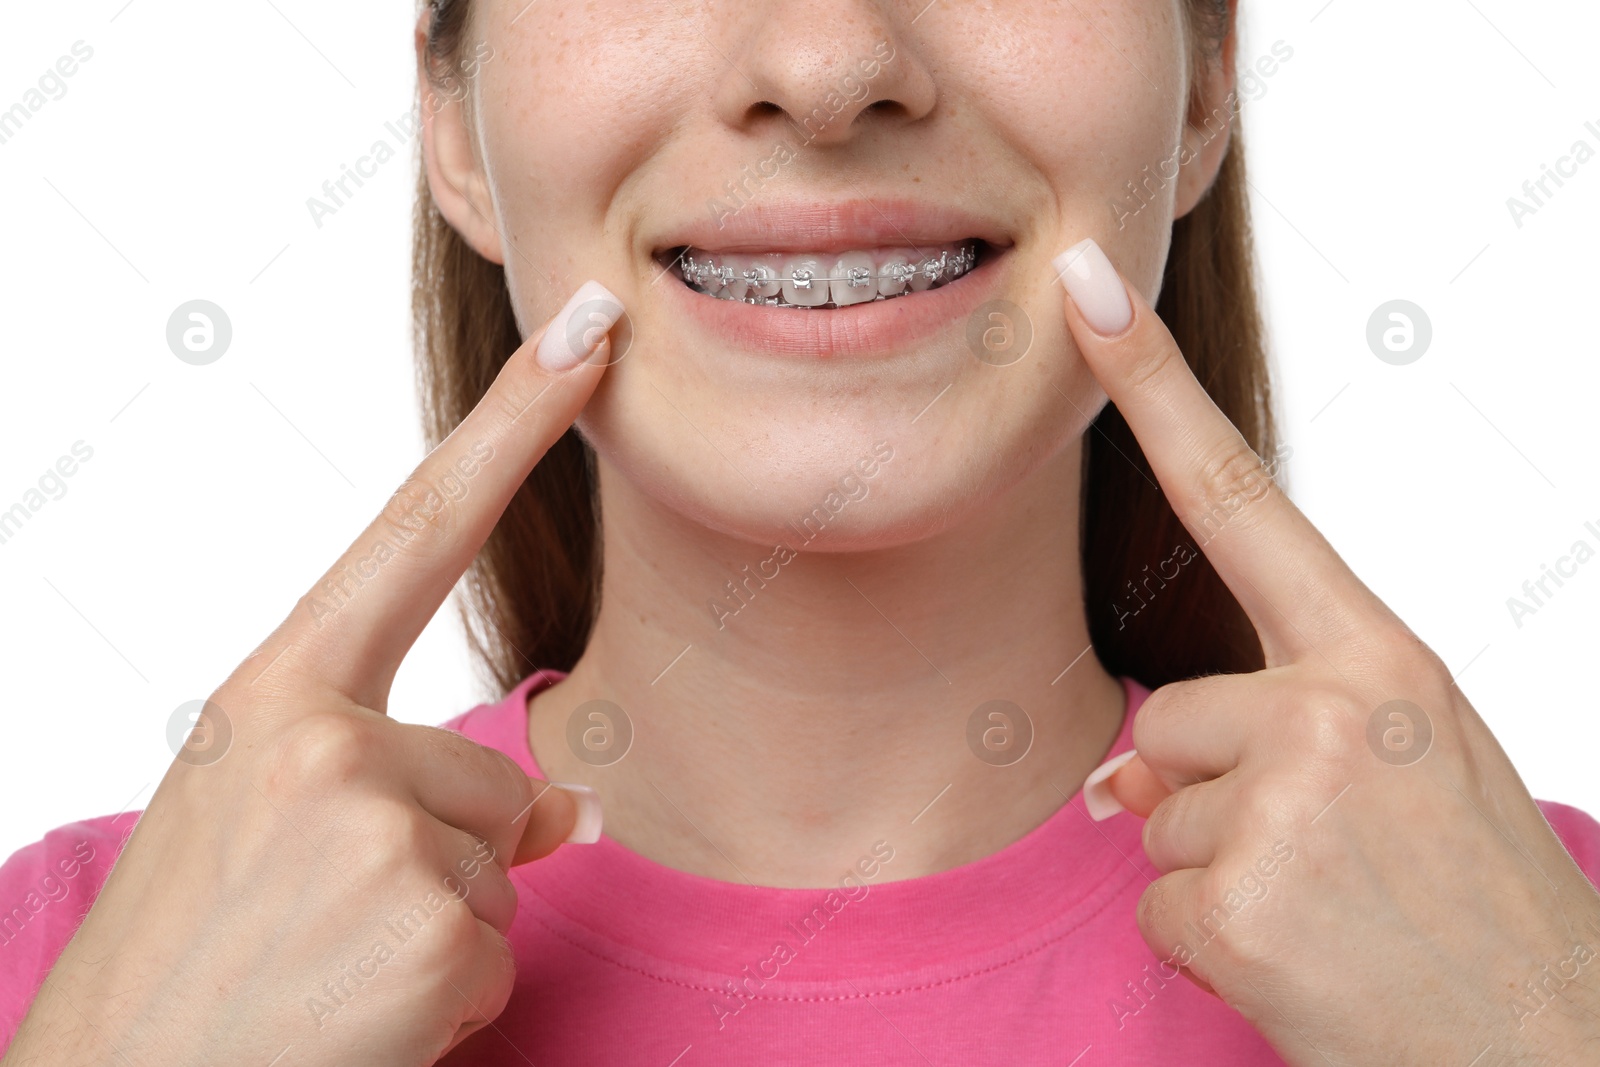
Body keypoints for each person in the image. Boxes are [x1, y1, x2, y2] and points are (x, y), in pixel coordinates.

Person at [5, 1, 1600, 1063]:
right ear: (450, 124)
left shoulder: (1538, 942)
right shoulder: (84, 975)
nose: (831, 65)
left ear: (1202, 92)